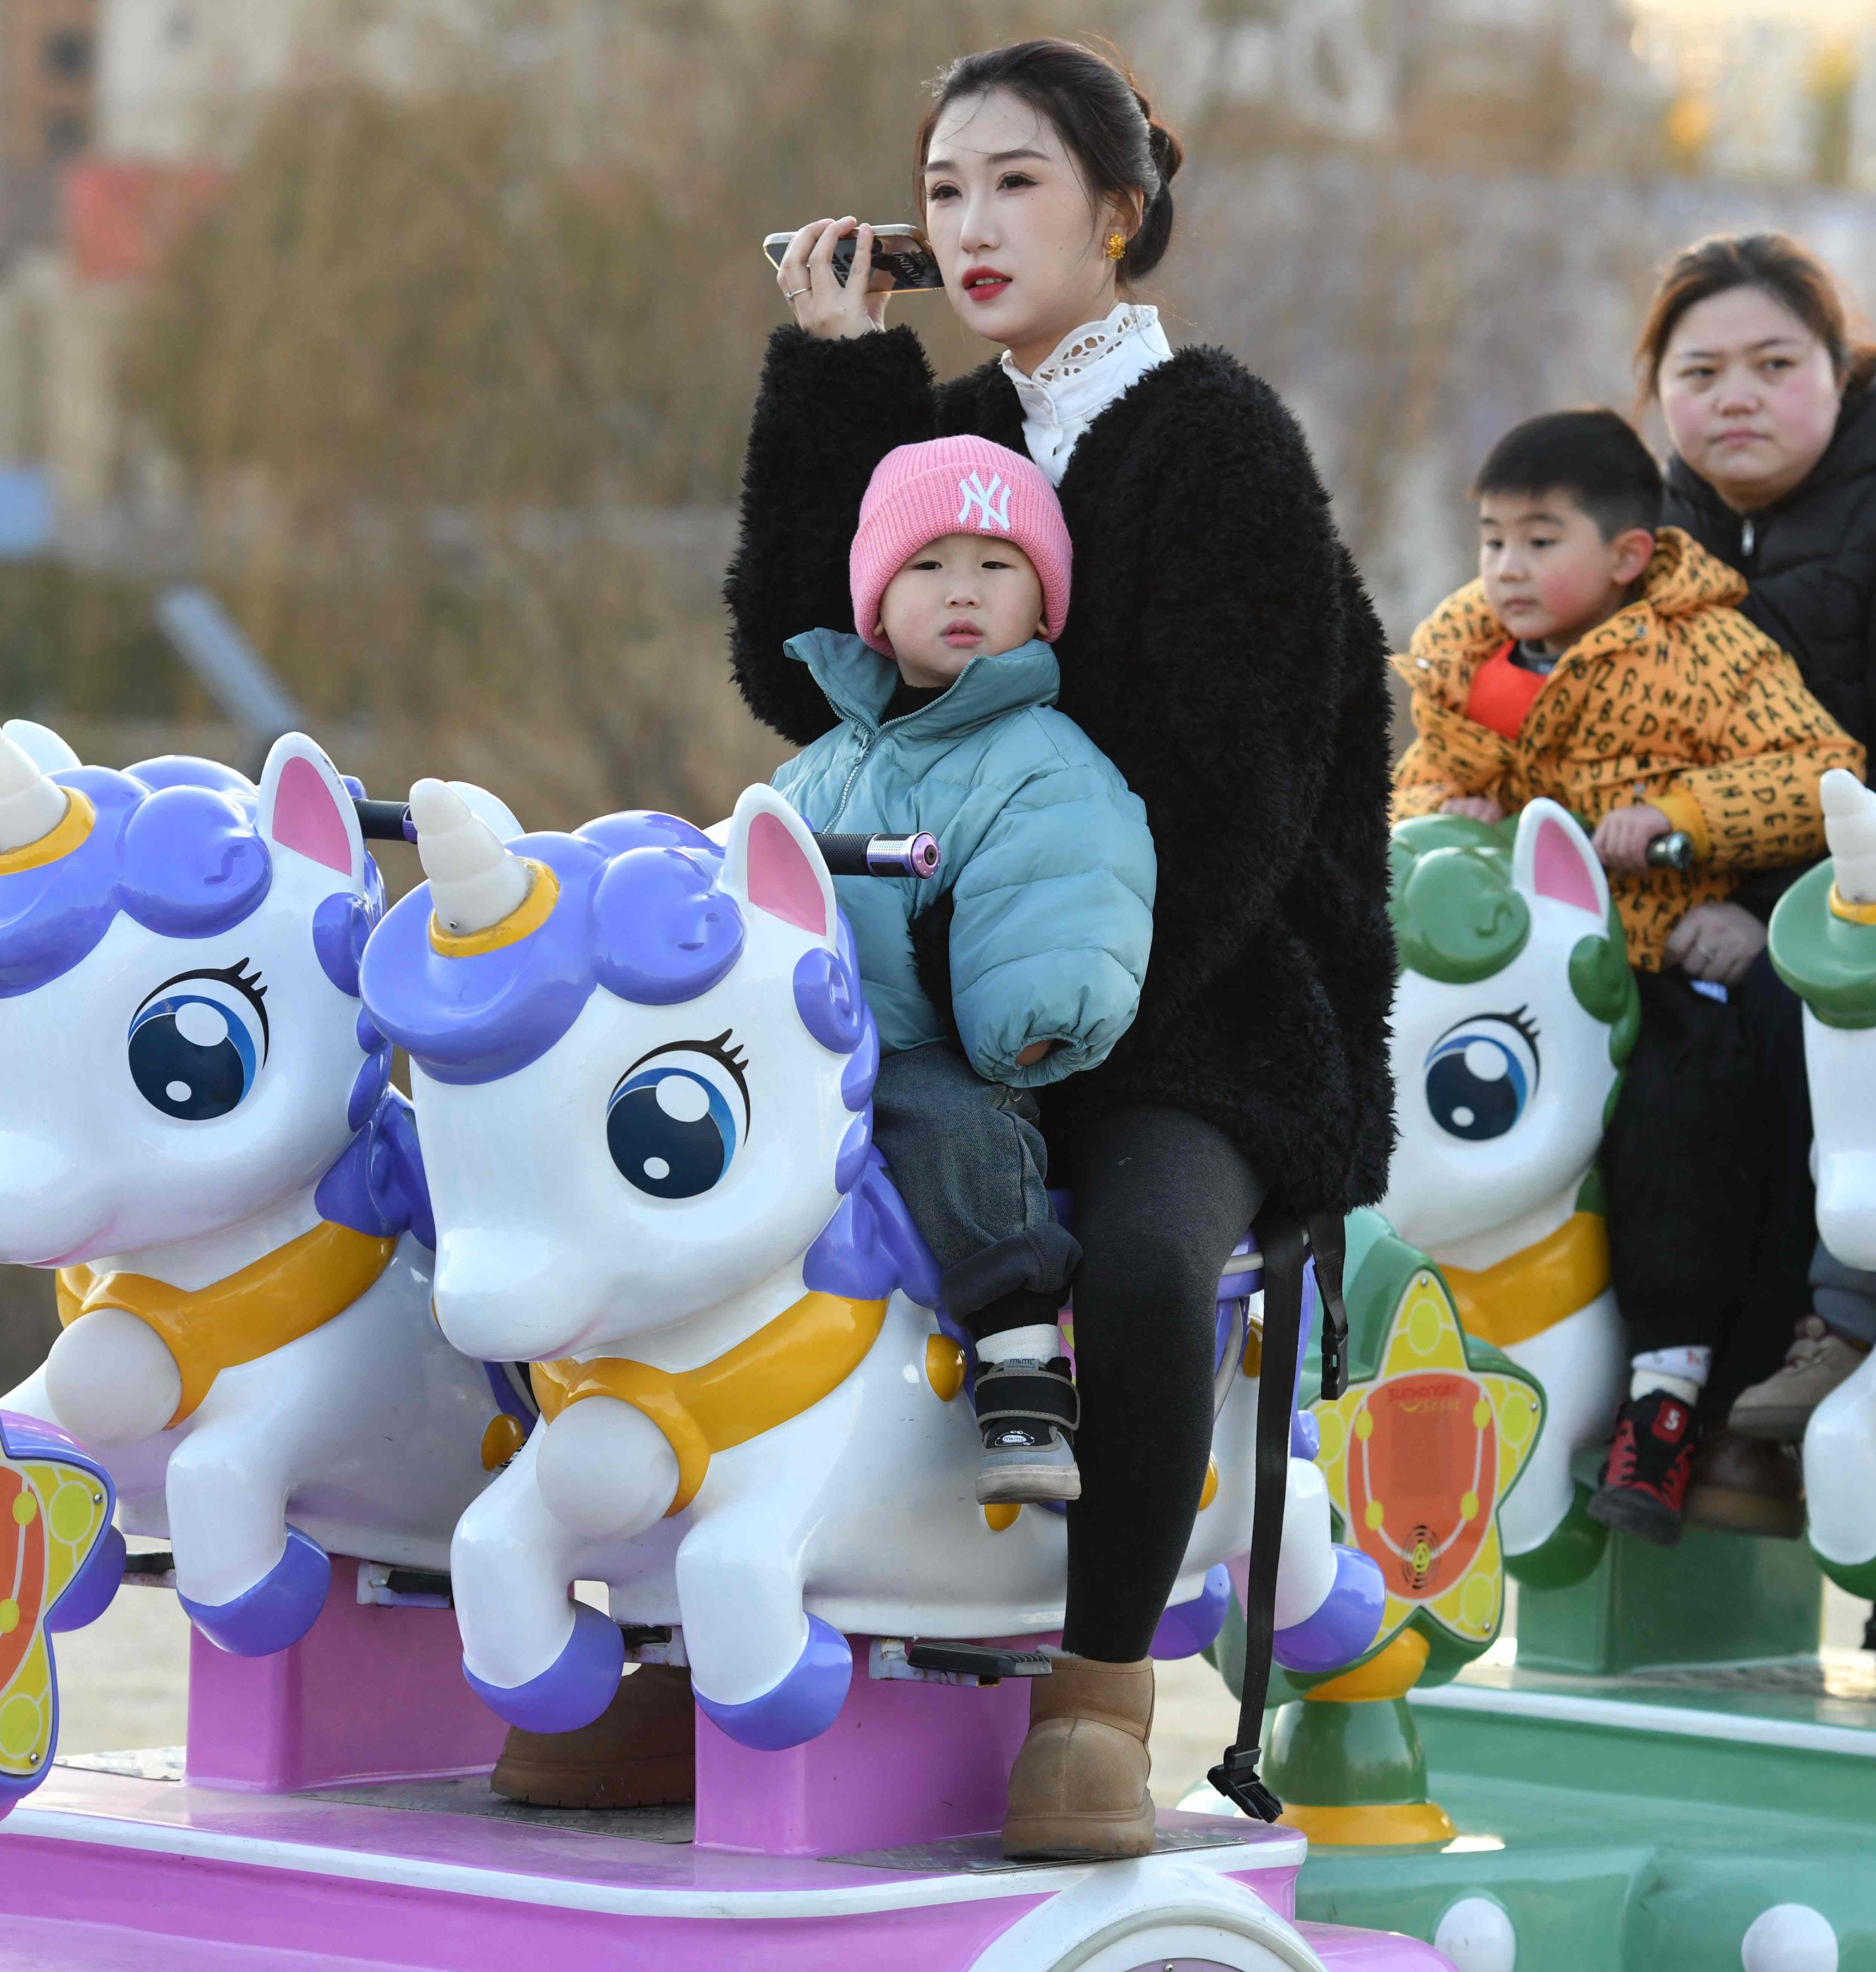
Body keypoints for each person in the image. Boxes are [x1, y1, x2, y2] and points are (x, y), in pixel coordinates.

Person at [730, 39, 1395, 1855]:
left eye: (1014, 182)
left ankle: (1101, 1677)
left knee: (1142, 1253)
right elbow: (812, 662)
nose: (969, 221)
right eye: (942, 189)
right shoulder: (962, 434)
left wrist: (1055, 1021)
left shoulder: (1216, 441)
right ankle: (716, 1639)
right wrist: (835, 377)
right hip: (940, 977)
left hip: (1207, 993)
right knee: (734, 1185)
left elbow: (1235, 802)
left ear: (1119, 211)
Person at [1392, 408, 1862, 1544]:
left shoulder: (1704, 649)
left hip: (1647, 955)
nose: (1506, 569)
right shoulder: (1474, 649)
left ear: (1628, 557)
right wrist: (1446, 817)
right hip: (1518, 975)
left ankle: (1668, 1392)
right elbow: (1423, 778)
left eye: (1539, 540)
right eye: (1493, 539)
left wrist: (1683, 820)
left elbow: (1822, 770)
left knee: (1672, 1117)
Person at [1634, 234, 1876, 1446]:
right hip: (1667, 905)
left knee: (1771, 1040)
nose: (1735, 396)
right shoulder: (1646, 531)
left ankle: (1762, 1409)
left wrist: (1774, 918)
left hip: (1860, 915)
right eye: (1699, 372)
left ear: (1840, 372)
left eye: (1773, 362)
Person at [770, 435, 1155, 1504]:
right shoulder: (820, 765)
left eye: (997, 566)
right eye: (929, 565)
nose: (962, 592)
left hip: (930, 1046)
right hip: (804, 1038)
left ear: (1043, 607)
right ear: (877, 605)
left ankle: (1019, 1352)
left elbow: (1067, 886)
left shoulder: (1040, 758)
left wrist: (1028, 1012)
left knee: (958, 1121)